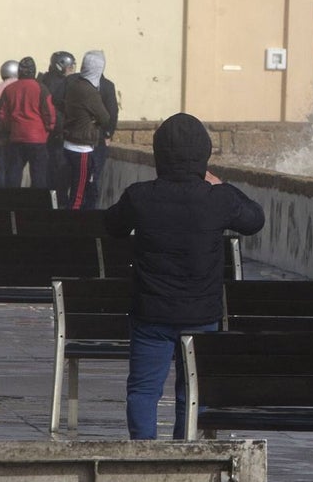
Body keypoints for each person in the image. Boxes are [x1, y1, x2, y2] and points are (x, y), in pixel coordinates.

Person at [105, 113, 265, 440]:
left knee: (143, 390)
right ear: (203, 154)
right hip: (201, 314)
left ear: (159, 154)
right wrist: (219, 184)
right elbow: (254, 219)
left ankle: (144, 458)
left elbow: (112, 225)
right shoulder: (217, 198)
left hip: (151, 314)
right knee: (190, 391)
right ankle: (185, 455)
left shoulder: (140, 196)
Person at [0, 57, 56, 188]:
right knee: (38, 176)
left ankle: (12, 203)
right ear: (33, 72)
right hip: (37, 138)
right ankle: (35, 205)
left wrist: (8, 129)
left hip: (16, 137)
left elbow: (2, 114)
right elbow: (50, 113)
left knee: (14, 174)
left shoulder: (9, 89)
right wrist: (48, 129)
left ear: (19, 72)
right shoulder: (41, 88)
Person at [62, 51, 110, 210]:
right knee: (79, 194)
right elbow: (105, 118)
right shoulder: (90, 91)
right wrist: (94, 120)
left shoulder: (74, 84)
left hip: (68, 143)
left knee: (71, 190)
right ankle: (72, 227)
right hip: (81, 147)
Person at [39, 51, 76, 203]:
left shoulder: (45, 80)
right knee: (59, 170)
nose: (73, 69)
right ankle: (58, 201)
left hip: (47, 131)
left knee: (49, 169)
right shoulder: (59, 83)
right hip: (58, 131)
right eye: (71, 66)